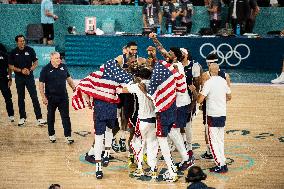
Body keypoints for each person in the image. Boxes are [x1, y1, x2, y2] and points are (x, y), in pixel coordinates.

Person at [121, 67, 159, 179]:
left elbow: (122, 90)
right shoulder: (154, 85)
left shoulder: (137, 86)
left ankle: (140, 168)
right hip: (154, 121)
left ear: (139, 77)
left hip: (142, 121)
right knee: (152, 144)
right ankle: (153, 169)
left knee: (138, 144)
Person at [197, 63, 232, 173]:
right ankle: (223, 162)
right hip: (222, 113)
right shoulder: (223, 81)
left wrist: (196, 92)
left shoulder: (208, 83)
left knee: (213, 141)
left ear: (209, 71)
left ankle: (220, 165)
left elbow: (200, 100)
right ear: (218, 70)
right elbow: (229, 97)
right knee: (220, 140)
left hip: (212, 115)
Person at [9, 35, 47, 127]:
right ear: (17, 42)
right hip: (19, 78)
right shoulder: (13, 52)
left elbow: (36, 62)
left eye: (23, 41)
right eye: (20, 41)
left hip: (29, 77)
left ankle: (39, 118)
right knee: (21, 98)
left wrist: (30, 70)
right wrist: (21, 70)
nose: (22, 42)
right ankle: (22, 118)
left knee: (34, 97)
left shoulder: (30, 50)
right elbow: (10, 66)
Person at [39, 52, 76, 144]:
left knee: (66, 117)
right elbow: (41, 84)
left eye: (59, 58)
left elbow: (69, 79)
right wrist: (43, 97)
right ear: (51, 59)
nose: (59, 60)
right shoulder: (45, 69)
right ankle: (51, 135)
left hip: (63, 97)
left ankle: (68, 136)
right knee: (51, 117)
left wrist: (74, 88)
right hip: (51, 98)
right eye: (56, 58)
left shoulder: (63, 67)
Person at [0, 44, 14, 122]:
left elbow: (9, 67)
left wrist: (10, 79)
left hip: (3, 80)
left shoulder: (4, 55)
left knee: (8, 98)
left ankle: (11, 115)